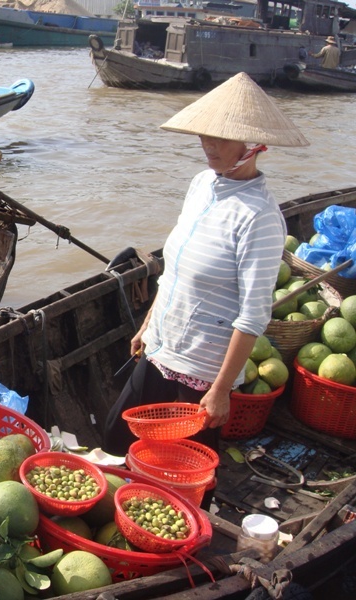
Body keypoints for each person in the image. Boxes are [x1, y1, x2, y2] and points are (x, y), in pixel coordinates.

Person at [102, 73, 309, 506]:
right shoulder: (201, 185)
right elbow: (174, 268)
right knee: (116, 438)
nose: (209, 145)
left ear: (252, 144)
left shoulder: (260, 218)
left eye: (222, 137)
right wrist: (149, 321)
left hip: (203, 369)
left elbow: (253, 315)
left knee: (184, 474)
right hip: (162, 345)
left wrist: (220, 390)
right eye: (204, 135)